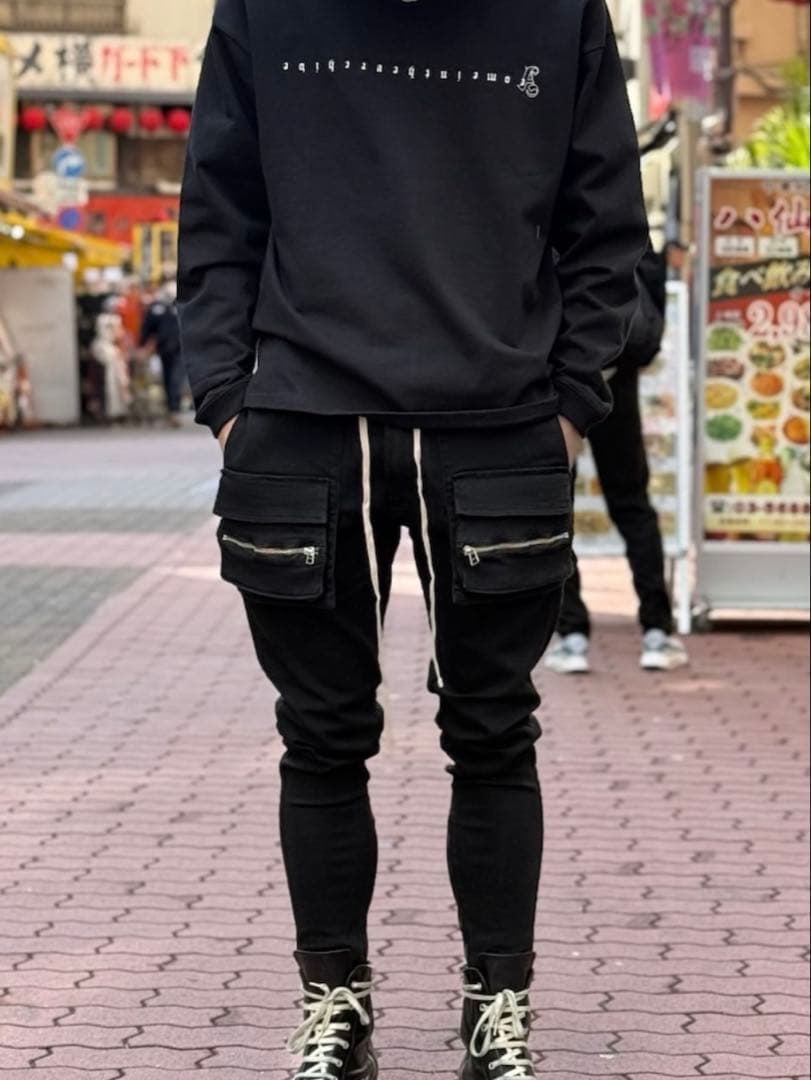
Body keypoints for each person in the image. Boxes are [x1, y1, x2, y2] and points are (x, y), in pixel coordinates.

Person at [178, 1, 648, 1076]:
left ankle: (497, 1009)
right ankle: (334, 1009)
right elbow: (217, 208)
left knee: (493, 732)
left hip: (497, 425)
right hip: (304, 423)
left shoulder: (557, 12)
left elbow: (605, 223)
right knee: (320, 736)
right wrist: (230, 403)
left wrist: (569, 408)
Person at [545, 245, 690, 675]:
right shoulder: (620, 218)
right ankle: (656, 630)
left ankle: (571, 635)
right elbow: (649, 292)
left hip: (551, 381)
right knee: (631, 503)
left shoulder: (542, 216)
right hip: (611, 376)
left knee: (555, 505)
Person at [139, 275, 184, 427]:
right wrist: (143, 345)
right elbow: (147, 327)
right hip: (163, 349)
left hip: (180, 348)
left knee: (175, 379)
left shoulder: (181, 303)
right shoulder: (156, 306)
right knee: (167, 378)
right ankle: (171, 409)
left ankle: (174, 409)